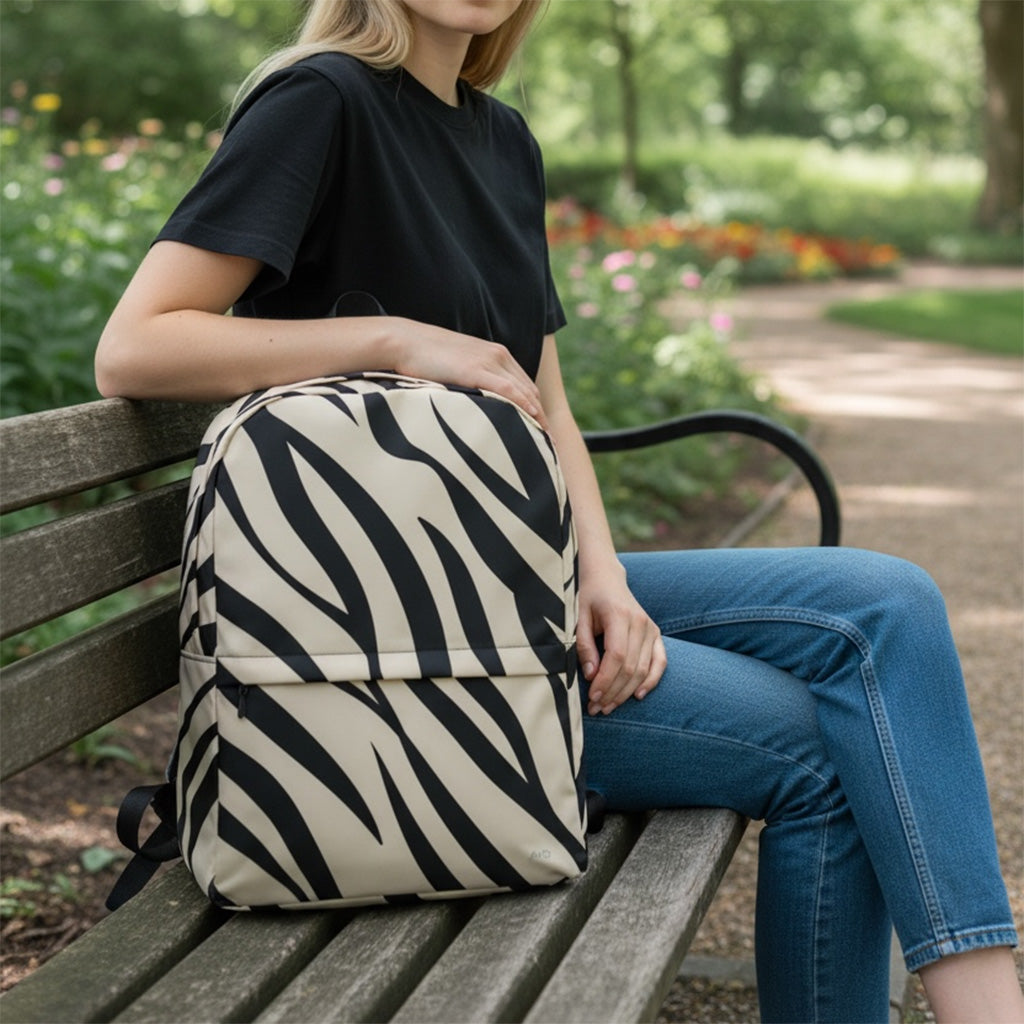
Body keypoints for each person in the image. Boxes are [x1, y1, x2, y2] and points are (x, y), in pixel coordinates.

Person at [95, 2, 1023, 1021]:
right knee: (826, 750)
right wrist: (395, 339)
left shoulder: (503, 141)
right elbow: (136, 344)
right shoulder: (319, 103)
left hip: (516, 591)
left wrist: (603, 572)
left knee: (887, 600)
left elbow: (550, 405)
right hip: (395, 666)